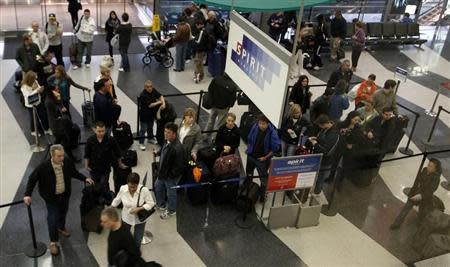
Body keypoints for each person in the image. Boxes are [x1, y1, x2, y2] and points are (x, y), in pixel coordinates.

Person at [24, 144, 94, 255]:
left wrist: (85, 178)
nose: (62, 158)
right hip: (51, 197)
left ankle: (61, 227)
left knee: (63, 211)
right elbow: (32, 179)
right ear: (52, 155)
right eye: (59, 156)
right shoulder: (43, 167)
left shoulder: (66, 162)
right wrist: (27, 194)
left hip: (65, 194)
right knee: (52, 218)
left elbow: (74, 173)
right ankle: (53, 242)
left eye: (62, 155)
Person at [390, 159, 442, 229]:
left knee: (422, 212)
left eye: (431, 166)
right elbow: (418, 181)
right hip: (415, 193)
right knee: (406, 208)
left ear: (435, 169)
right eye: (428, 165)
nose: (428, 167)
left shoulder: (436, 178)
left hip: (424, 198)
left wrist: (421, 195)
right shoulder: (424, 170)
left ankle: (420, 225)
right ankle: (396, 224)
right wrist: (413, 191)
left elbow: (431, 190)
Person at [111, 173, 155, 248]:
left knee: (137, 240)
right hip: (126, 218)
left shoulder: (144, 190)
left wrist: (139, 208)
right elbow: (117, 199)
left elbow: (151, 203)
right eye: (130, 186)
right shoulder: (123, 189)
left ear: (138, 184)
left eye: (134, 187)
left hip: (140, 220)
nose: (132, 189)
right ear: (127, 183)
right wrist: (111, 207)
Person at [154, 122, 186, 220]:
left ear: (174, 134)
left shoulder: (178, 148)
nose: (165, 134)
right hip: (163, 172)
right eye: (165, 131)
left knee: (171, 193)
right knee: (157, 186)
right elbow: (164, 149)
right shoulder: (167, 141)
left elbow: (179, 167)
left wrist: (169, 176)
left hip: (170, 176)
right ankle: (161, 204)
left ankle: (172, 210)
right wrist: (158, 152)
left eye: (168, 132)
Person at [246, 115, 281, 200]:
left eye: (263, 124)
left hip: (261, 160)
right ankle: (248, 189)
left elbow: (275, 149)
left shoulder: (273, 133)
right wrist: (249, 149)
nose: (261, 125)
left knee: (263, 179)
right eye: (260, 123)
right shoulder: (255, 126)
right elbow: (249, 138)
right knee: (249, 174)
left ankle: (262, 195)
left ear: (268, 124)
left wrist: (265, 158)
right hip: (251, 156)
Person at [85, 121, 126, 189]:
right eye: (99, 131)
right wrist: (86, 165)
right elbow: (87, 154)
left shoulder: (110, 139)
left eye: (103, 131)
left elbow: (118, 152)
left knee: (104, 184)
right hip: (94, 168)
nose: (101, 133)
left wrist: (120, 164)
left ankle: (106, 197)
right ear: (94, 130)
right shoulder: (90, 140)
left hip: (105, 168)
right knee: (95, 185)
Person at [308, 115, 340, 194]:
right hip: (318, 158)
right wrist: (316, 139)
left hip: (325, 162)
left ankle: (316, 194)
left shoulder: (334, 134)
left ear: (325, 124)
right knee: (315, 178)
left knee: (320, 180)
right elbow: (323, 140)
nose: (319, 127)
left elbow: (327, 152)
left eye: (320, 125)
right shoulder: (326, 129)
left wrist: (315, 144)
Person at [203, 74, 237, 141]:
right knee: (219, 123)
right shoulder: (232, 85)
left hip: (214, 104)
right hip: (223, 107)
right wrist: (229, 106)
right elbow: (233, 99)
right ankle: (214, 138)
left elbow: (210, 89)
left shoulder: (216, 79)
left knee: (211, 120)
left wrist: (212, 99)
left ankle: (205, 136)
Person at [21, 71, 51, 136]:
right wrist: (36, 90)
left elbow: (38, 87)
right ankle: (33, 131)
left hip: (38, 102)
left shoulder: (35, 81)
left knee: (43, 115)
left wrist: (40, 89)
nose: (35, 80)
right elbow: (28, 95)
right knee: (33, 118)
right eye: (33, 78)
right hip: (31, 105)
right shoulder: (24, 86)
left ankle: (46, 129)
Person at [138, 80, 164, 150]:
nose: (150, 88)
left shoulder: (153, 90)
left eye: (151, 86)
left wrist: (163, 102)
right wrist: (159, 102)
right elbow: (150, 105)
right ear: (145, 87)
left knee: (150, 127)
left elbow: (160, 95)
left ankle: (150, 138)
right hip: (144, 115)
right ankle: (141, 143)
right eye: (148, 87)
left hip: (151, 114)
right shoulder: (143, 95)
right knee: (143, 129)